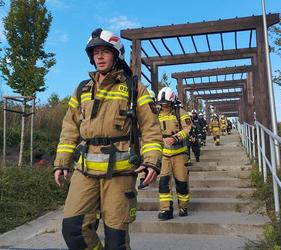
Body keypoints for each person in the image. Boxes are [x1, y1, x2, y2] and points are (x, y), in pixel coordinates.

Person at [53, 28, 163, 250]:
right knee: (73, 230)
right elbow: (69, 128)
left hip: (120, 174)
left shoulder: (134, 89)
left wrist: (151, 160)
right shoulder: (82, 90)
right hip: (84, 171)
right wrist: (62, 161)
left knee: (116, 240)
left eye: (105, 51)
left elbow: (151, 128)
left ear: (117, 54)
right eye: (95, 53)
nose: (99, 57)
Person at [157, 87, 191, 220]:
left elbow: (188, 128)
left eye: (166, 102)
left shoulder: (180, 112)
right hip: (164, 155)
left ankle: (183, 206)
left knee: (181, 183)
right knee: (163, 183)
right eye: (162, 102)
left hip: (180, 154)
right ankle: (166, 210)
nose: (164, 105)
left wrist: (175, 138)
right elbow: (152, 130)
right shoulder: (157, 114)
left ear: (172, 101)